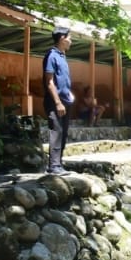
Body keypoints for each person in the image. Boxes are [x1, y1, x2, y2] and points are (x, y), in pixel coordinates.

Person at [43, 25, 73, 174]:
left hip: (66, 101)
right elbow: (49, 81)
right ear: (62, 38)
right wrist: (58, 102)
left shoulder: (62, 55)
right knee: (56, 131)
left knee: (64, 133)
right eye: (69, 38)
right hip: (56, 102)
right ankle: (53, 166)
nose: (71, 41)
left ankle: (59, 164)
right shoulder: (51, 55)